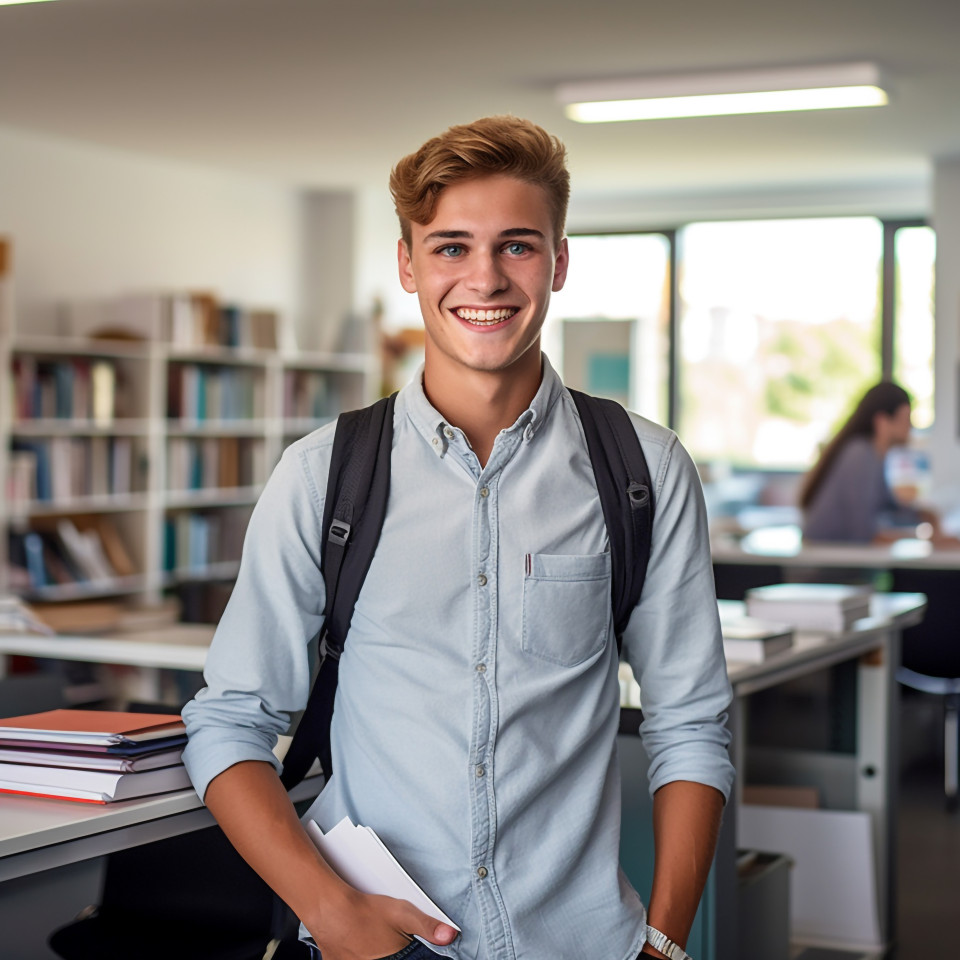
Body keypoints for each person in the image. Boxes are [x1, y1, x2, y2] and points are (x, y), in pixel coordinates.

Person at [182, 116, 734, 960]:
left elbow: (690, 722)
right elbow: (228, 722)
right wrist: (330, 910)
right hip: (377, 943)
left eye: (517, 246)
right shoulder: (323, 475)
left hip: (580, 943)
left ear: (558, 262)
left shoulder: (642, 469)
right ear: (408, 264)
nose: (486, 277)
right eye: (450, 247)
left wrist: (663, 945)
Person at [800, 381, 938, 544]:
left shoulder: (874, 457)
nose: (910, 427)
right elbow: (863, 533)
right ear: (882, 421)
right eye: (905, 418)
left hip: (837, 554)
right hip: (824, 557)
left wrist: (923, 516)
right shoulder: (860, 455)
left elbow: (889, 507)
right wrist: (925, 539)